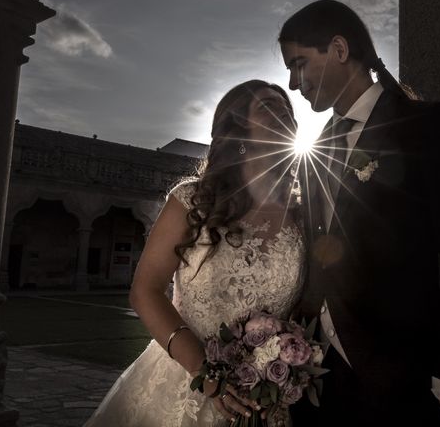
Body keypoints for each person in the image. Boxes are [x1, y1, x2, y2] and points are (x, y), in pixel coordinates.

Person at [279, 0, 440, 426]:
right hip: (314, 388)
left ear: (339, 50)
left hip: (405, 385)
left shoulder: (428, 125)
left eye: (299, 64)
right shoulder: (311, 151)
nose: (292, 83)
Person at [84, 80, 304, 427]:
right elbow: (145, 290)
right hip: (182, 386)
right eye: (269, 108)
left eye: (288, 112)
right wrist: (206, 372)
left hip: (267, 402)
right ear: (238, 132)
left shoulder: (304, 216)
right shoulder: (192, 201)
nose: (285, 118)